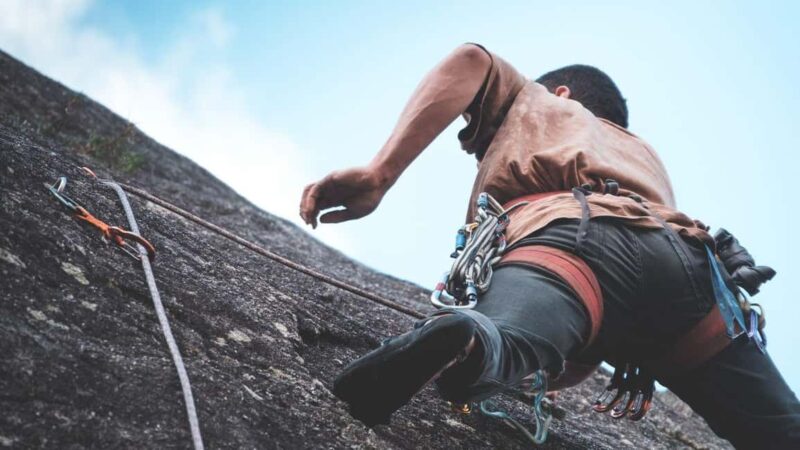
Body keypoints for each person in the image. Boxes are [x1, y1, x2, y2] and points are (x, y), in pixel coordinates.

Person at [298, 43, 800, 448]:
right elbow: (584, 340)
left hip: (569, 241)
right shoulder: (643, 156)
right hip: (688, 268)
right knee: (779, 429)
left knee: (500, 338)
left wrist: (380, 173)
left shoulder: (547, 105)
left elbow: (472, 60)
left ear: (560, 92)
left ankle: (473, 346)